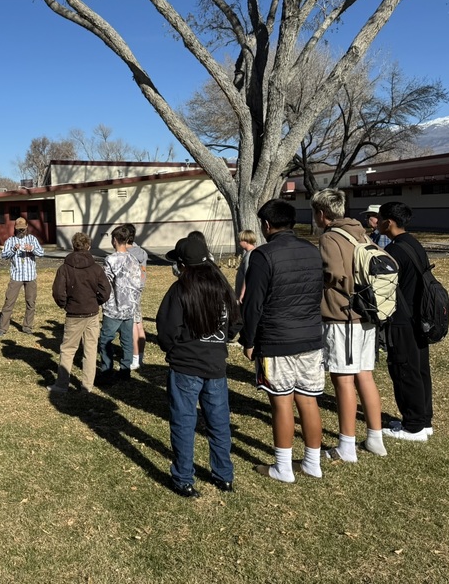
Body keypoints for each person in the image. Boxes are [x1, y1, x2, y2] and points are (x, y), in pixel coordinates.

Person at [240, 199, 325, 483]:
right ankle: (313, 462)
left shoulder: (263, 256)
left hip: (276, 339)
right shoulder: (312, 251)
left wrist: (248, 340)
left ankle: (283, 466)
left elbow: (253, 304)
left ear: (266, 225)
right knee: (309, 400)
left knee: (281, 402)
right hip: (311, 336)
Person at [156, 234, 239, 498]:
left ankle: (184, 478)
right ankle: (223, 474)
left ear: (182, 263)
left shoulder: (180, 289)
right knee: (218, 422)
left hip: (186, 368)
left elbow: (167, 329)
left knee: (184, 422)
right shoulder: (223, 287)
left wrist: (175, 348)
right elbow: (236, 324)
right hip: (214, 366)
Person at [311, 188, 386, 461]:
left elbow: (334, 274)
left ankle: (346, 444)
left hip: (343, 316)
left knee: (342, 378)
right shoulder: (362, 233)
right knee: (365, 375)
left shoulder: (330, 238)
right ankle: (375, 436)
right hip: (368, 315)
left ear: (322, 214)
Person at [378, 201, 435, 441]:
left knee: (404, 370)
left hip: (402, 319)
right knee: (419, 369)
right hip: (420, 317)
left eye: (379, 218)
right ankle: (423, 419)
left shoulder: (394, 250)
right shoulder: (414, 244)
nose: (376, 222)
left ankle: (413, 426)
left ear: (388, 222)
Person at [49, 232, 111, 394]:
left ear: (73, 246)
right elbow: (106, 290)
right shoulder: (96, 268)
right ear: (88, 247)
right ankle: (87, 386)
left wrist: (65, 304)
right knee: (90, 350)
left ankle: (62, 385)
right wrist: (96, 302)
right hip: (91, 313)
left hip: (75, 314)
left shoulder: (65, 269)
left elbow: (58, 292)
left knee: (68, 350)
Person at [97, 226, 143, 383]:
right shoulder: (134, 260)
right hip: (130, 308)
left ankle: (106, 370)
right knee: (127, 340)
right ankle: (125, 371)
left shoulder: (111, 260)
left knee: (105, 340)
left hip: (114, 309)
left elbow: (105, 284)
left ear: (114, 240)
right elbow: (139, 285)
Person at [0, 217, 44, 337]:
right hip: (16, 276)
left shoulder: (32, 239)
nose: (21, 231)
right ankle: (2, 328)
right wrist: (13, 249)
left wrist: (32, 249)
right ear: (15, 229)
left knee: (30, 302)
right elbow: (4, 255)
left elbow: (42, 253)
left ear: (27, 227)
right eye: (19, 229)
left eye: (23, 229)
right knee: (9, 302)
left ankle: (27, 326)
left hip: (30, 275)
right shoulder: (10, 241)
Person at [123, 223, 148, 370]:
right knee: (139, 324)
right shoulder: (142, 252)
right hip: (139, 288)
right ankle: (140, 357)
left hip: (128, 291)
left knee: (133, 325)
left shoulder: (127, 253)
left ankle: (134, 359)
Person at [234, 229, 257, 303]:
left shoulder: (249, 255)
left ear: (246, 241)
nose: (239, 243)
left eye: (240, 241)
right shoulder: (250, 253)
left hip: (245, 295)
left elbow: (247, 275)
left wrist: (242, 293)